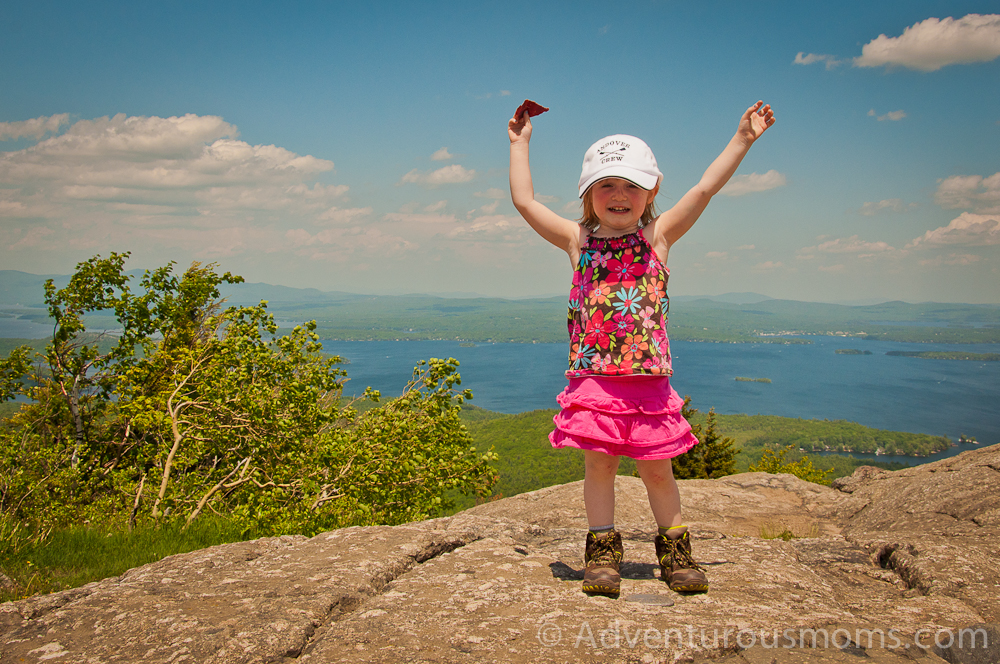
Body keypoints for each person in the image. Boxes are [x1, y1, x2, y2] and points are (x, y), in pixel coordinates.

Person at [508, 101, 775, 595]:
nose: (619, 195)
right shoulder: (577, 241)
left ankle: (675, 552)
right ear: (588, 195)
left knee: (658, 471)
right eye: (607, 184)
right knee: (599, 467)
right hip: (594, 383)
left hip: (648, 382)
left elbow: (703, 189)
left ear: (650, 191)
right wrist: (520, 144)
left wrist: (743, 139)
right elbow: (525, 202)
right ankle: (603, 553)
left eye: (632, 185)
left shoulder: (658, 238)